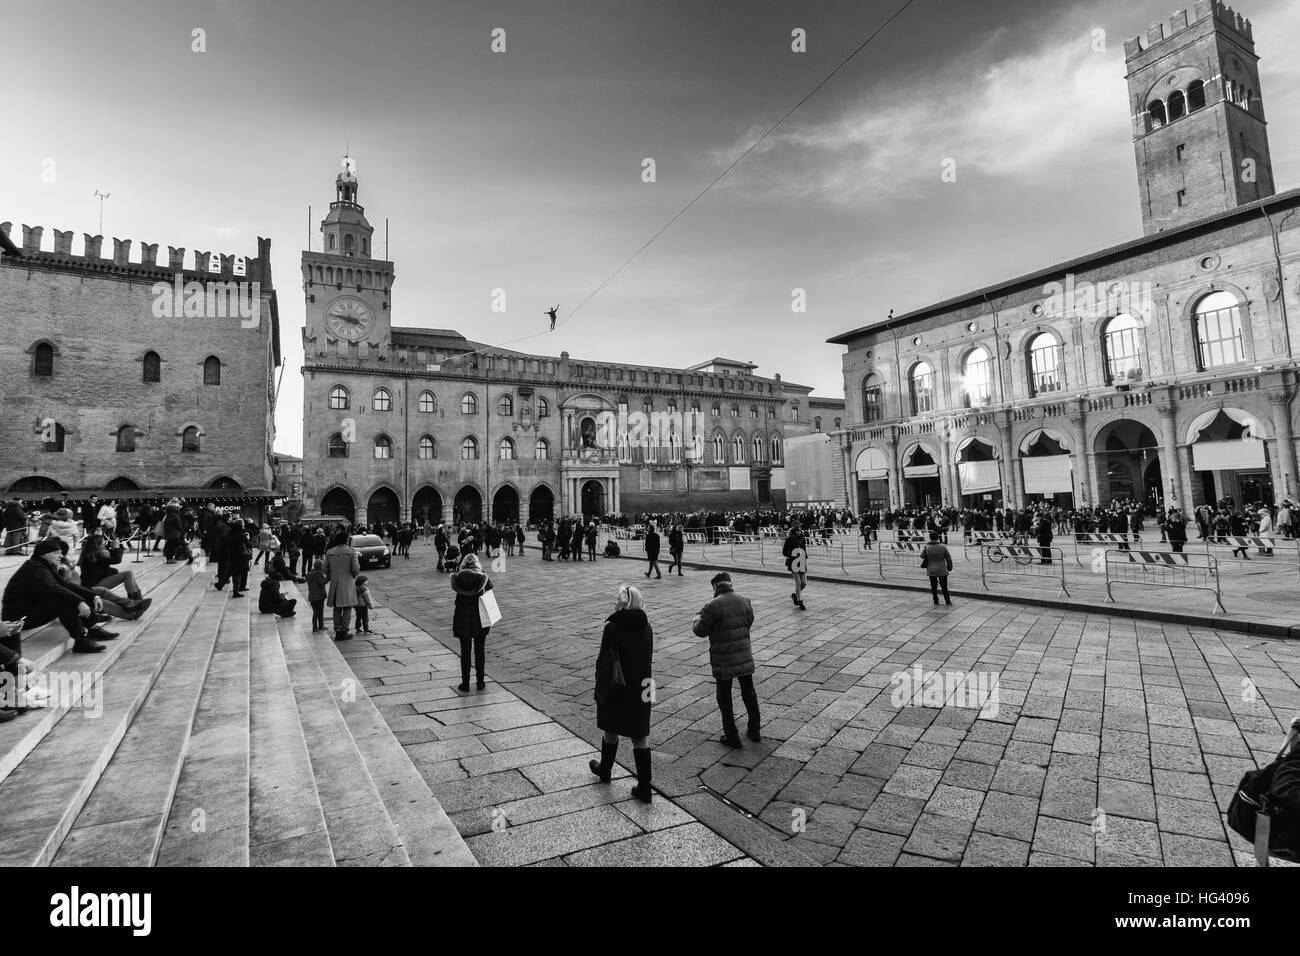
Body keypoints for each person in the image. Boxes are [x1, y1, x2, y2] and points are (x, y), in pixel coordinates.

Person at [589, 585, 654, 803]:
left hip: (617, 685)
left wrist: (599, 684)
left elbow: (603, 661)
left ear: (623, 603)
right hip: (644, 685)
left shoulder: (613, 627)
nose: (615, 602)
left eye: (617, 599)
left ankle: (605, 770)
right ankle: (645, 787)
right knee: (639, 736)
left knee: (611, 727)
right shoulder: (647, 626)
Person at [2, 539, 114, 656]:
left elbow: (66, 585)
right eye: (56, 553)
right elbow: (55, 589)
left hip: (31, 610)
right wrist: (80, 602)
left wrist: (93, 596)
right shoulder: (35, 568)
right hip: (19, 619)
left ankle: (92, 629)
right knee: (64, 601)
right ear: (44, 554)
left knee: (69, 597)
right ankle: (82, 640)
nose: (61, 555)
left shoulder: (43, 565)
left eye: (60, 552)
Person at [692, 572, 761, 747]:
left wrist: (696, 619)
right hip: (744, 655)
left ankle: (732, 736)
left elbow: (700, 631)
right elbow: (749, 621)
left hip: (723, 658)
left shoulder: (711, 606)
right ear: (730, 584)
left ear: (715, 587)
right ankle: (755, 729)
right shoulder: (745, 600)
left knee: (724, 697)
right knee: (749, 693)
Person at [451, 553, 492, 691]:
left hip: (462, 618)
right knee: (480, 650)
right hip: (480, 618)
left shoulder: (458, 577)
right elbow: (490, 588)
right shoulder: (483, 577)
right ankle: (480, 682)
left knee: (465, 651)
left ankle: (465, 683)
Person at [324, 531, 360, 641]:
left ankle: (338, 630)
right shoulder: (352, 552)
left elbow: (325, 568)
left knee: (337, 608)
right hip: (347, 583)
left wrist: (331, 576)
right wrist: (353, 576)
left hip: (335, 585)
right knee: (347, 607)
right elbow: (355, 568)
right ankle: (344, 630)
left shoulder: (329, 552)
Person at [921, 531, 953, 606]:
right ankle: (947, 601)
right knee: (944, 586)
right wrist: (949, 567)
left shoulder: (927, 547)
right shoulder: (943, 547)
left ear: (930, 538)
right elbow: (948, 558)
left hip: (931, 569)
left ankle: (936, 600)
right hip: (942, 568)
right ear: (938, 538)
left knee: (933, 586)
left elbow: (922, 556)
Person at [782, 525, 807, 610]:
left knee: (804, 583)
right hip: (794, 562)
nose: (799, 532)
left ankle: (795, 596)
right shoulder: (789, 540)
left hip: (802, 561)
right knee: (798, 583)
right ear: (793, 532)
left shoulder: (802, 539)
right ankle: (799, 601)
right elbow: (784, 552)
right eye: (797, 531)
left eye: (799, 531)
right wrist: (792, 555)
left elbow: (804, 550)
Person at [227, 525, 252, 597]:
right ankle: (236, 591)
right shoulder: (241, 536)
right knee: (239, 574)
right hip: (241, 557)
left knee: (235, 574)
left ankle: (235, 590)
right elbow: (249, 545)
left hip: (232, 557)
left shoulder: (229, 535)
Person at [307, 559, 327, 633]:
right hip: (319, 596)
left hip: (312, 597)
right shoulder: (318, 574)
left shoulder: (309, 574)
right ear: (320, 567)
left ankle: (315, 627)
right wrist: (328, 576)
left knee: (315, 612)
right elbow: (323, 582)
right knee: (320, 612)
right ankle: (320, 626)